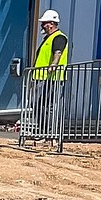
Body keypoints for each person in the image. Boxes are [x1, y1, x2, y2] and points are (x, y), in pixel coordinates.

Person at [31, 9, 69, 142]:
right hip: (43, 77)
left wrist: (53, 66)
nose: (42, 26)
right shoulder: (48, 38)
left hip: (52, 79)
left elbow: (57, 53)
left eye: (44, 23)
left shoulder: (59, 37)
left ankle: (48, 134)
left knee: (47, 106)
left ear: (51, 24)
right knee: (38, 105)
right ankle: (44, 132)